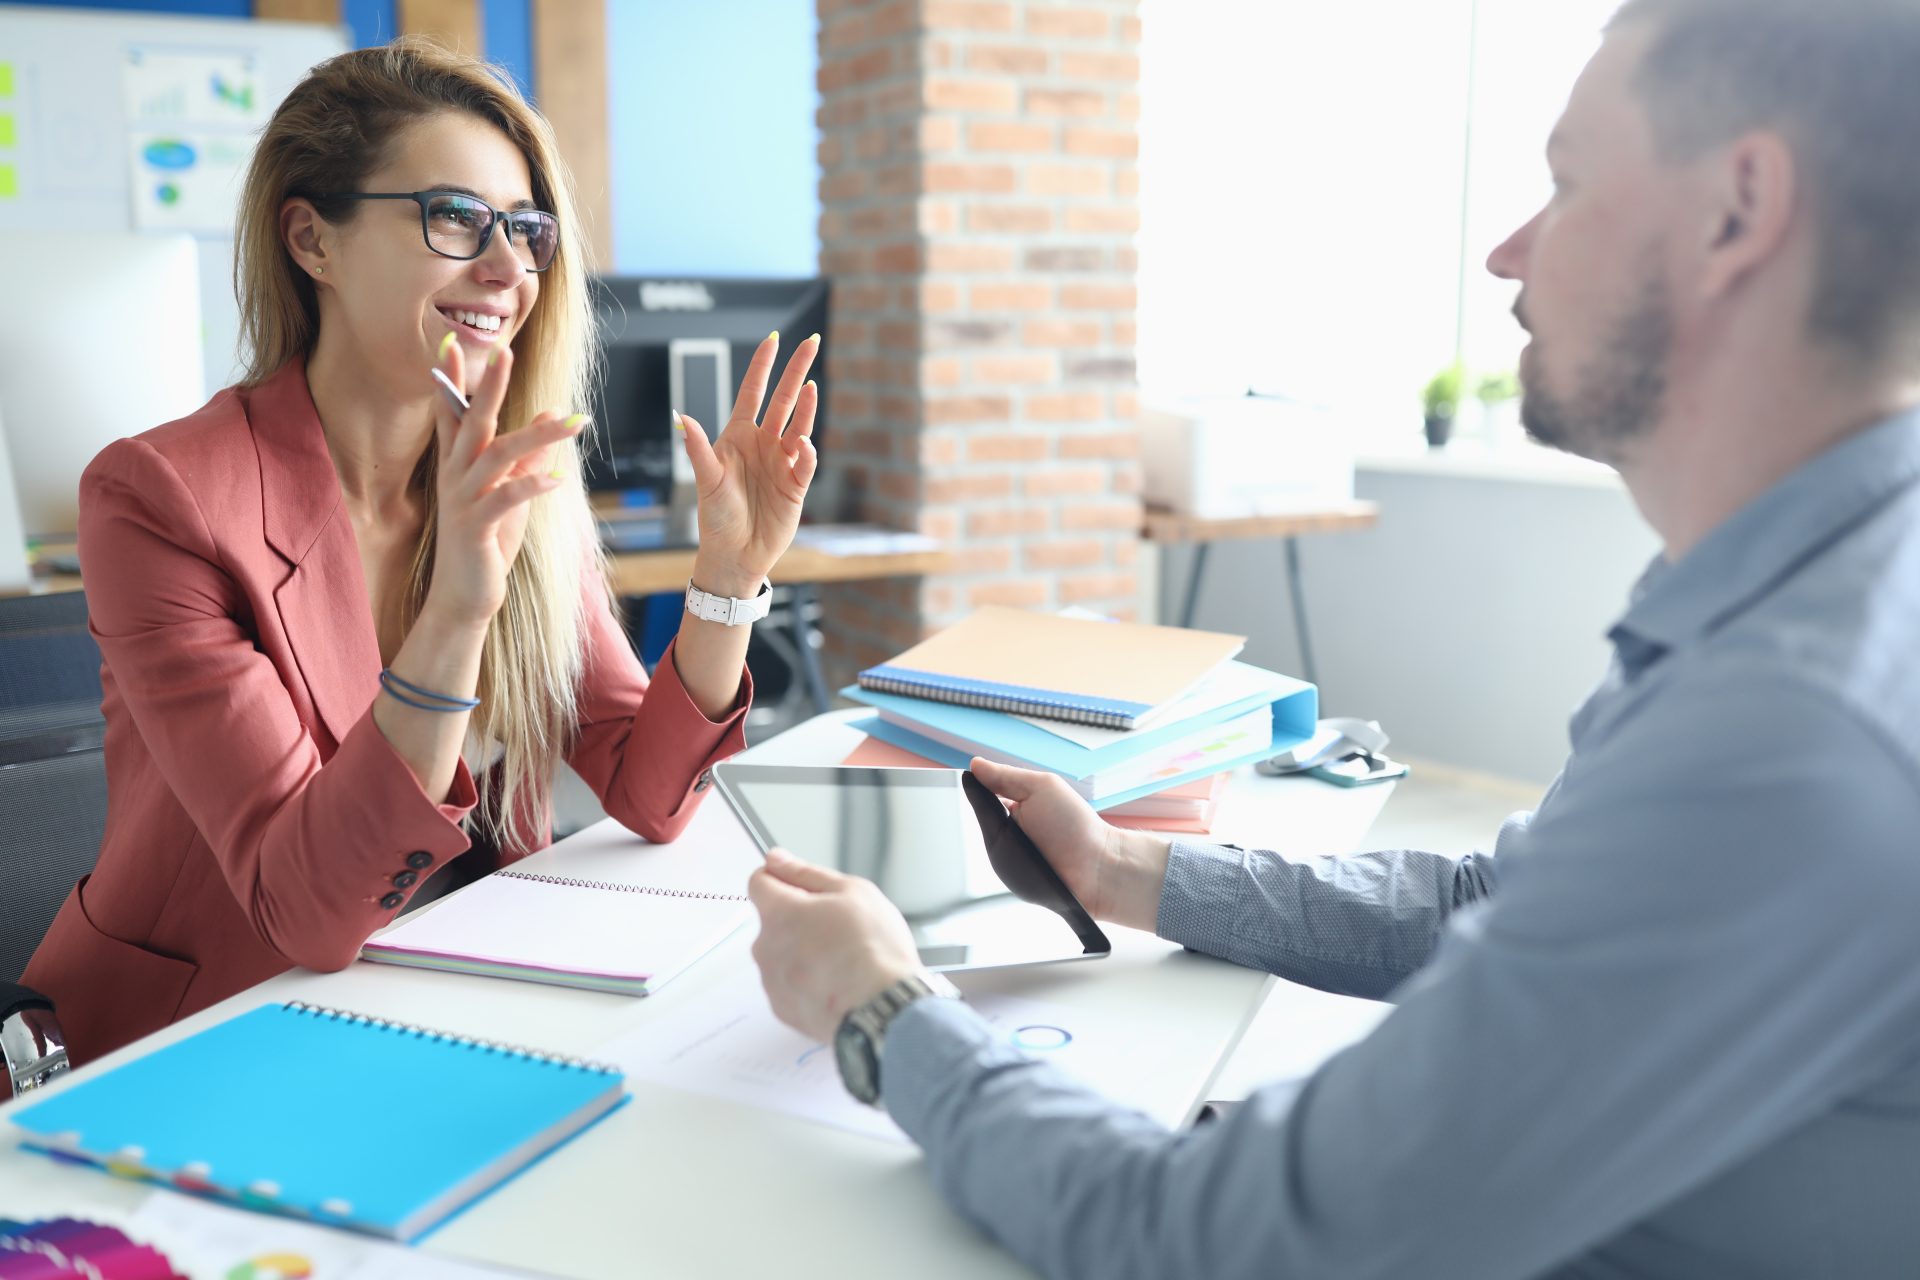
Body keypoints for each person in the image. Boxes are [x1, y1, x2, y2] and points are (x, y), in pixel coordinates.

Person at [748, 1, 1920, 1275]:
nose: (1509, 255)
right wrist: (1124, 871)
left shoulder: (1788, 738)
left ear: (1736, 211)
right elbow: (1497, 901)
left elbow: (1208, 1241)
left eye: (1566, 184)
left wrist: (882, 1011)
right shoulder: (1800, 586)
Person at [24, 38, 820, 1067]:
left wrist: (725, 578)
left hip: (448, 996)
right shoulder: (163, 498)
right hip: (199, 1038)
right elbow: (307, 910)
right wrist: (454, 611)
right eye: (456, 217)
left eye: (528, 230)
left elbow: (648, 790)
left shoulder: (510, 478)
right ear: (312, 238)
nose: (509, 269)